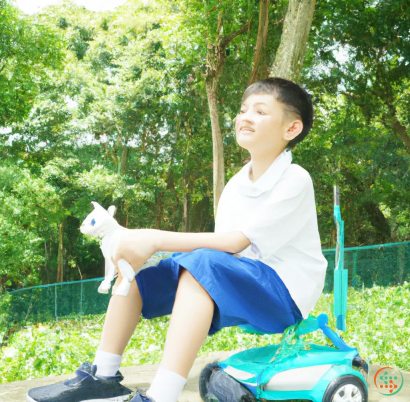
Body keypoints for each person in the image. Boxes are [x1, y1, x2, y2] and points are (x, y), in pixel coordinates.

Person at [26, 77, 328, 402]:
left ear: (291, 129)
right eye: (243, 110)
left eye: (260, 111)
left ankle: (162, 396)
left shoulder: (295, 179)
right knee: (138, 269)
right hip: (236, 282)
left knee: (200, 264)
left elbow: (234, 243)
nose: (245, 117)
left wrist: (154, 238)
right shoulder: (237, 185)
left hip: (283, 296)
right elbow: (221, 249)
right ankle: (103, 376)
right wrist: (151, 254)